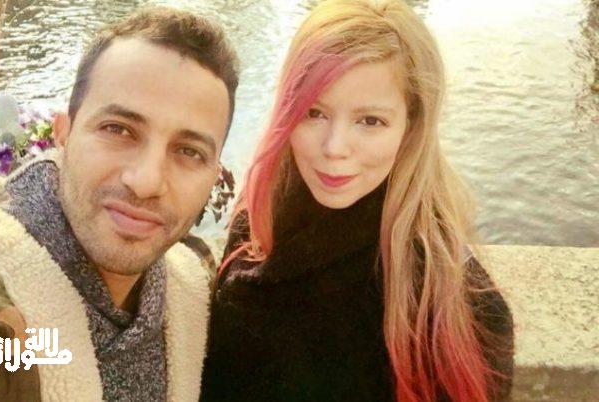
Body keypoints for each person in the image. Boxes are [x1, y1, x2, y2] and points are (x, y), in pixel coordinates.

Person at [200, 0, 513, 401]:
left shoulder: (455, 307)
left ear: (411, 127)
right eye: (314, 112)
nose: (334, 148)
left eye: (370, 121)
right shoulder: (257, 219)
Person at [0, 5, 239, 402]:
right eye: (119, 129)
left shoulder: (193, 290)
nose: (146, 182)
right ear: (64, 132)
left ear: (214, 174)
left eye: (189, 151)